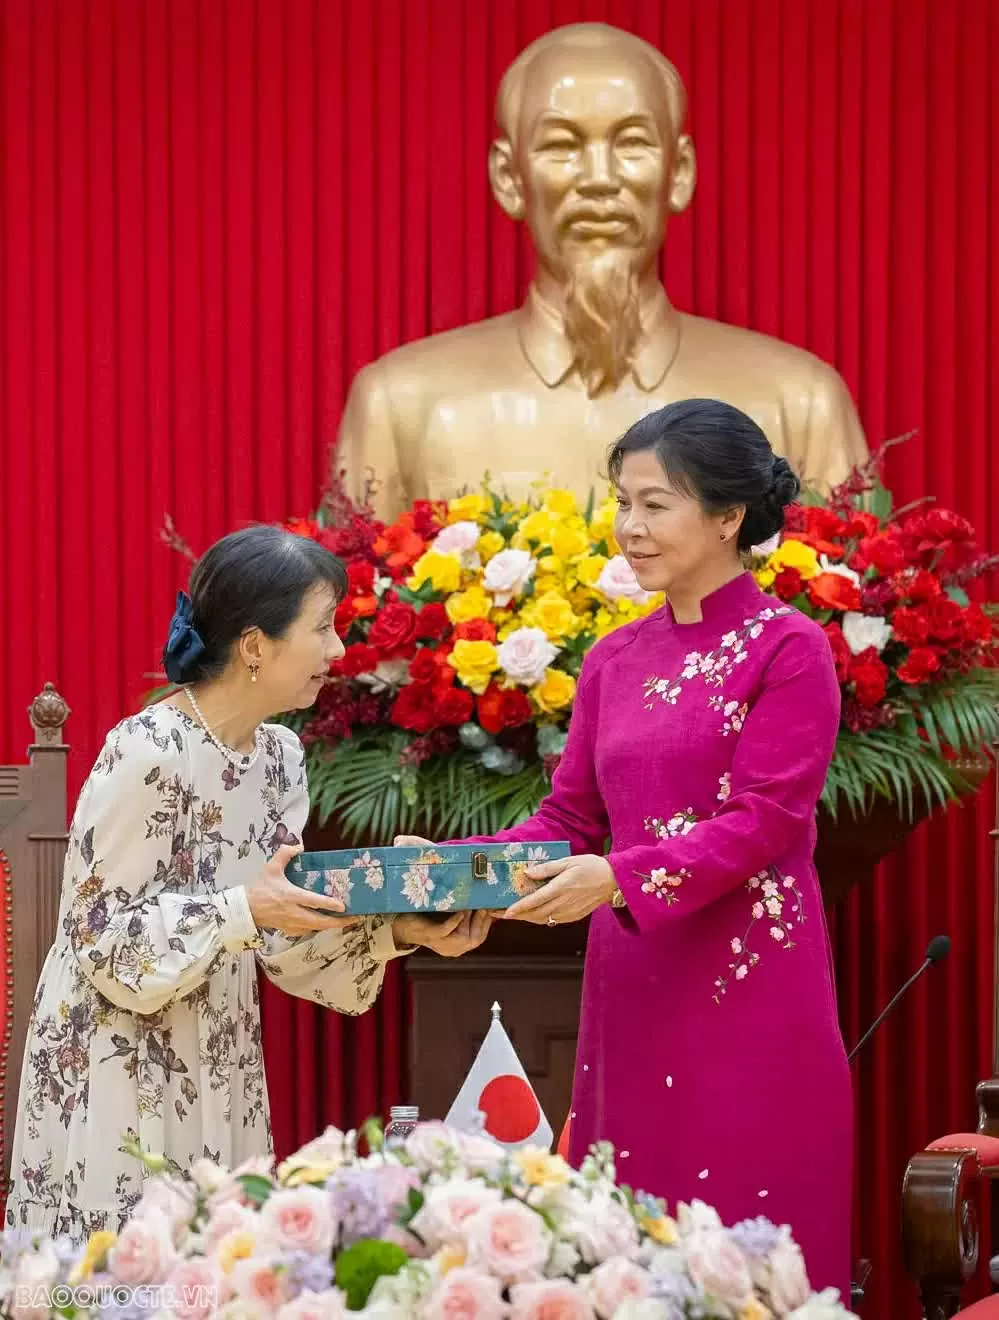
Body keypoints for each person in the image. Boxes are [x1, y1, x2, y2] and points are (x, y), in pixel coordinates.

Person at [398, 399, 852, 1297]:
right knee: (630, 1250)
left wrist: (616, 876)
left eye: (655, 504)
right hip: (635, 980)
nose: (629, 527)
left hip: (750, 981)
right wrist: (454, 868)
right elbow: (569, 818)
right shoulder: (614, 658)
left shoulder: (789, 649)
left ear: (727, 517)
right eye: (622, 502)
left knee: (748, 1249)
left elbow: (766, 819)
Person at [6, 526, 491, 1240]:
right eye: (322, 628)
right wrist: (242, 911)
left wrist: (396, 928)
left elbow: (279, 939)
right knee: (131, 1275)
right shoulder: (147, 749)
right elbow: (101, 943)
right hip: (117, 1070)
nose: (337, 650)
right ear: (256, 646)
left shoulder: (279, 758)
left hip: (220, 1053)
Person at [337, 22, 867, 519]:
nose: (598, 178)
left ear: (679, 172)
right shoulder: (399, 407)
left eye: (633, 143)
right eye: (561, 146)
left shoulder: (800, 405)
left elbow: (852, 584)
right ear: (509, 177)